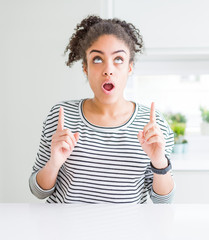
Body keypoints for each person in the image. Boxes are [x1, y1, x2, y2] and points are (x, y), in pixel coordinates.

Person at [29, 15, 175, 203]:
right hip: (65, 232)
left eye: (119, 59)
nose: (108, 70)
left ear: (130, 68)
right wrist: (54, 163)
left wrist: (159, 161)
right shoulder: (62, 117)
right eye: (97, 59)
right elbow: (39, 191)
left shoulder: (152, 124)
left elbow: (163, 200)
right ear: (85, 68)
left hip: (126, 232)